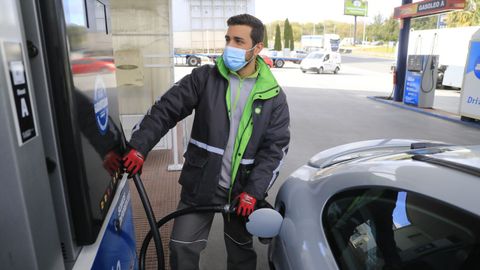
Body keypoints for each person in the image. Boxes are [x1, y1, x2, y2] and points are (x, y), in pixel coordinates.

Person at [123, 13, 290, 270]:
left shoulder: (273, 96)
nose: (229, 47)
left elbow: (274, 150)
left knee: (241, 252)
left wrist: (253, 192)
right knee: (181, 246)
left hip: (242, 191)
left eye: (238, 40)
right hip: (201, 182)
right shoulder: (205, 78)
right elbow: (166, 109)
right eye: (227, 39)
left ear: (257, 48)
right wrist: (139, 146)